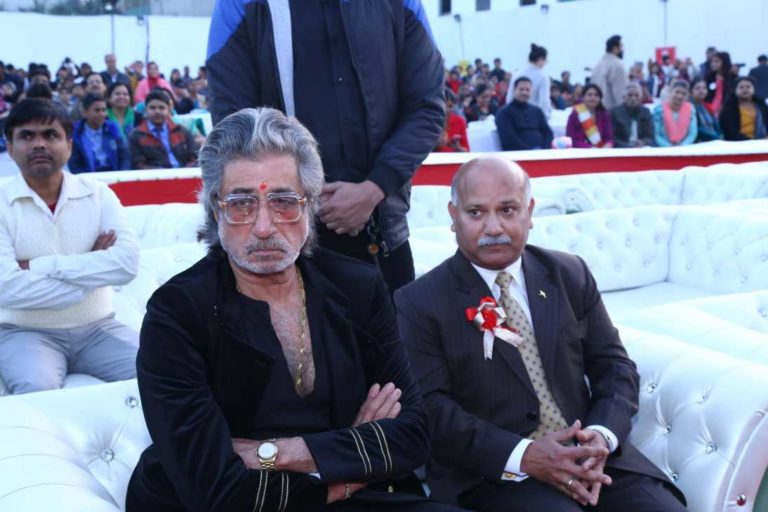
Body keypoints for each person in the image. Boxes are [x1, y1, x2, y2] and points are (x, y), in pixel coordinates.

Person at [125, 107, 466, 512]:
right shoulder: (176, 313)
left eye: (284, 202)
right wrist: (348, 459)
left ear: (310, 206)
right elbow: (218, 490)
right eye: (242, 203)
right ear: (216, 209)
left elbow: (412, 435)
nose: (264, 227)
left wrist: (274, 453)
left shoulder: (357, 288)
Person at [394, 156, 687, 512]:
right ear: (453, 216)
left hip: (592, 457)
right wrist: (526, 455)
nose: (493, 227)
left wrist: (601, 436)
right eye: (475, 212)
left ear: (530, 211)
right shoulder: (419, 301)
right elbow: (431, 407)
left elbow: (614, 367)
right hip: (496, 473)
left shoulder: (569, 273)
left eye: (507, 210)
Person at [206, 0, 444, 295]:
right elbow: (235, 126)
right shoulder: (239, 4)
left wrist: (375, 188)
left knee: (395, 324)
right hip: (281, 238)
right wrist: (298, 199)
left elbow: (427, 108)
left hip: (381, 231)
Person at [0, 98, 139, 395]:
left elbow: (126, 264)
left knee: (161, 369)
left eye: (50, 135)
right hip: (24, 333)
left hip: (99, 328)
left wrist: (38, 266)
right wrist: (91, 269)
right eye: (27, 136)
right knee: (37, 390)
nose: (39, 144)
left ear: (69, 145)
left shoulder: (98, 195)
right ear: (10, 148)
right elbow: (7, 287)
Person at [129, 90, 198, 169]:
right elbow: (138, 165)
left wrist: (183, 172)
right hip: (154, 175)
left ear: (169, 110)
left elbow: (194, 159)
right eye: (152, 108)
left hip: (184, 174)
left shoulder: (182, 131)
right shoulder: (136, 135)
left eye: (161, 108)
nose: (157, 111)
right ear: (146, 110)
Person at [69, 93, 131, 173]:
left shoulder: (112, 128)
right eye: (97, 110)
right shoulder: (76, 132)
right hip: (88, 175)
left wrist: (121, 174)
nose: (102, 114)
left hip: (114, 174)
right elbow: (74, 164)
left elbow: (124, 155)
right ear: (85, 113)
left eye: (104, 110)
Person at [495, 77, 553, 151]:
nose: (524, 92)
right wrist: (530, 151)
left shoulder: (537, 111)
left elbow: (548, 133)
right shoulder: (504, 113)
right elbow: (508, 139)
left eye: (527, 90)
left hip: (541, 153)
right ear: (514, 90)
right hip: (518, 154)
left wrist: (544, 149)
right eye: (521, 89)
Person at [507, 44, 551, 119]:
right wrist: (545, 118)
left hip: (515, 116)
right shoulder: (543, 77)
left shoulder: (516, 74)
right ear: (541, 59)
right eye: (545, 60)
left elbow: (509, 98)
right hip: (533, 117)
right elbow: (544, 102)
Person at [719, 76, 768, 141]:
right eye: (741, 87)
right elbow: (730, 131)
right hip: (738, 143)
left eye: (748, 87)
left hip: (761, 142)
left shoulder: (761, 105)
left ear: (754, 88)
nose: (745, 90)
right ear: (735, 90)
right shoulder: (728, 108)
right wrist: (751, 141)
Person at [653, 80, 698, 147]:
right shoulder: (659, 110)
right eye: (677, 92)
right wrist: (670, 147)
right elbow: (656, 135)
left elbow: (692, 134)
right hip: (663, 148)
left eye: (684, 94)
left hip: (685, 148)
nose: (680, 96)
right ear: (671, 92)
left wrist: (682, 146)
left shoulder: (691, 109)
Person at [610, 83, 655, 148]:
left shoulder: (646, 112)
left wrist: (643, 142)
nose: (633, 98)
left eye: (636, 95)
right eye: (630, 95)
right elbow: (612, 137)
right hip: (622, 149)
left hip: (641, 148)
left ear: (641, 98)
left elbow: (651, 137)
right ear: (624, 97)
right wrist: (627, 146)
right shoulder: (615, 112)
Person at [590, 35, 627, 111]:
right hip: (612, 111)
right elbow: (620, 93)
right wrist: (624, 112)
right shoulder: (617, 65)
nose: (623, 50)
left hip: (596, 110)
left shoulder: (597, 65)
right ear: (615, 48)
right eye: (621, 47)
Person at [705, 51, 736, 116]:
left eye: (716, 61)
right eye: (712, 61)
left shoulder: (733, 78)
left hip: (726, 110)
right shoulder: (708, 78)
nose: (713, 64)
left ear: (724, 62)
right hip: (709, 109)